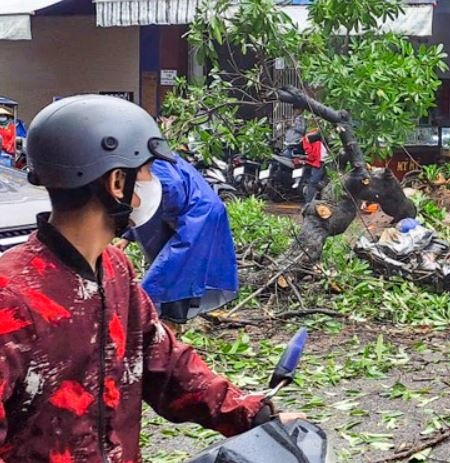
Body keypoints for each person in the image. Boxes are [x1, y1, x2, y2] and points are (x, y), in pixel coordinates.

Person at [0, 95, 302, 461]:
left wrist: (254, 415)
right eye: (146, 171)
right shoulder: (12, 296)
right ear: (116, 182)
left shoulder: (114, 270)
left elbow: (167, 366)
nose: (153, 182)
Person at [118, 151, 239, 329]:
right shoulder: (148, 154)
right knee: (174, 270)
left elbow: (170, 187)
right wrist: (127, 236)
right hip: (190, 215)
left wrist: (171, 220)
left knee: (172, 271)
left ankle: (169, 327)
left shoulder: (149, 160)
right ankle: (167, 325)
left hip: (195, 217)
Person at [300, 129, 327, 204]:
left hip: (323, 161)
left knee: (313, 182)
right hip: (318, 161)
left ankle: (310, 202)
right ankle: (308, 202)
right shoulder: (309, 137)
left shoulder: (320, 134)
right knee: (313, 182)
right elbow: (309, 152)